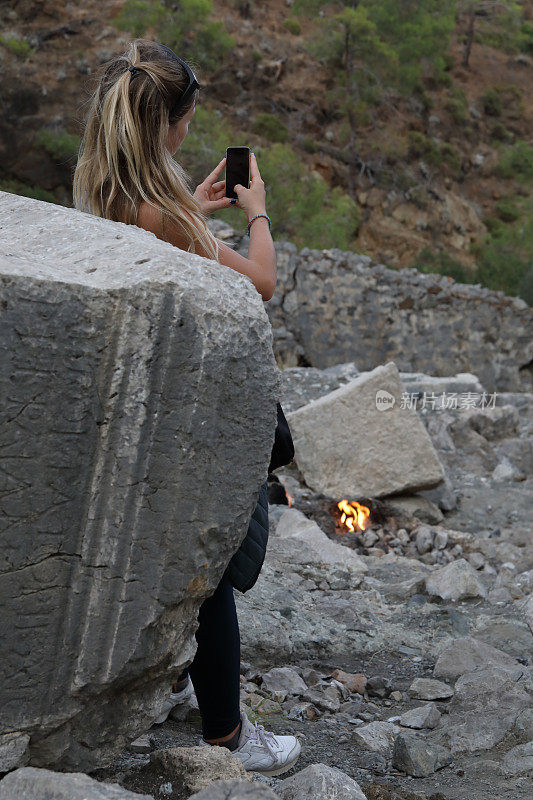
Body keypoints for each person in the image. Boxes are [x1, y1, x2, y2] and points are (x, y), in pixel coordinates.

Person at [73, 38, 301, 777]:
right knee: (214, 577)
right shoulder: (165, 214)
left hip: (129, 411)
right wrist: (255, 213)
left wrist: (193, 210)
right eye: (188, 117)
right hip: (188, 418)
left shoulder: (101, 187)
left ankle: (159, 678)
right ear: (169, 122)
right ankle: (229, 740)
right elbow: (259, 282)